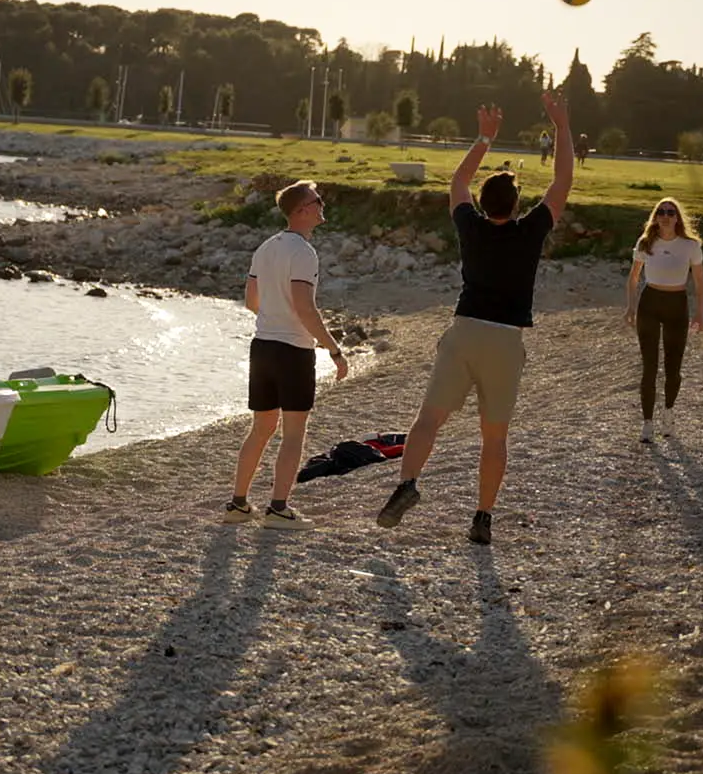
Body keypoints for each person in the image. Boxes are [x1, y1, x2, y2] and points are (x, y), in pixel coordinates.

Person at [376, 92, 573, 543]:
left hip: (464, 331)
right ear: (517, 204)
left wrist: (485, 137)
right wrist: (560, 126)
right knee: (494, 437)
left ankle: (406, 484)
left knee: (428, 420)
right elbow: (564, 178)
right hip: (505, 341)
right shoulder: (531, 232)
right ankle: (483, 517)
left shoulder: (469, 226)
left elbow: (457, 181)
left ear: (483, 204)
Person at [227, 180, 349, 530]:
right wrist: (334, 350)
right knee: (293, 433)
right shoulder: (303, 253)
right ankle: (279, 509)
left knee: (261, 429)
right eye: (317, 200)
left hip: (262, 346)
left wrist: (273, 318)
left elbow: (252, 301)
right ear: (301, 211)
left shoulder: (266, 248)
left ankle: (237, 504)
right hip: (293, 352)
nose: (321, 205)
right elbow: (304, 307)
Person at [625, 198, 703, 444]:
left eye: (671, 212)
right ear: (655, 216)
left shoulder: (691, 246)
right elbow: (633, 278)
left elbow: (700, 283)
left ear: (678, 217)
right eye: (661, 212)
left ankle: (668, 413)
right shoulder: (645, 243)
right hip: (650, 303)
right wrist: (631, 306)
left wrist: (700, 313)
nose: (666, 216)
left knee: (673, 368)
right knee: (649, 367)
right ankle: (647, 423)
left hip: (677, 305)